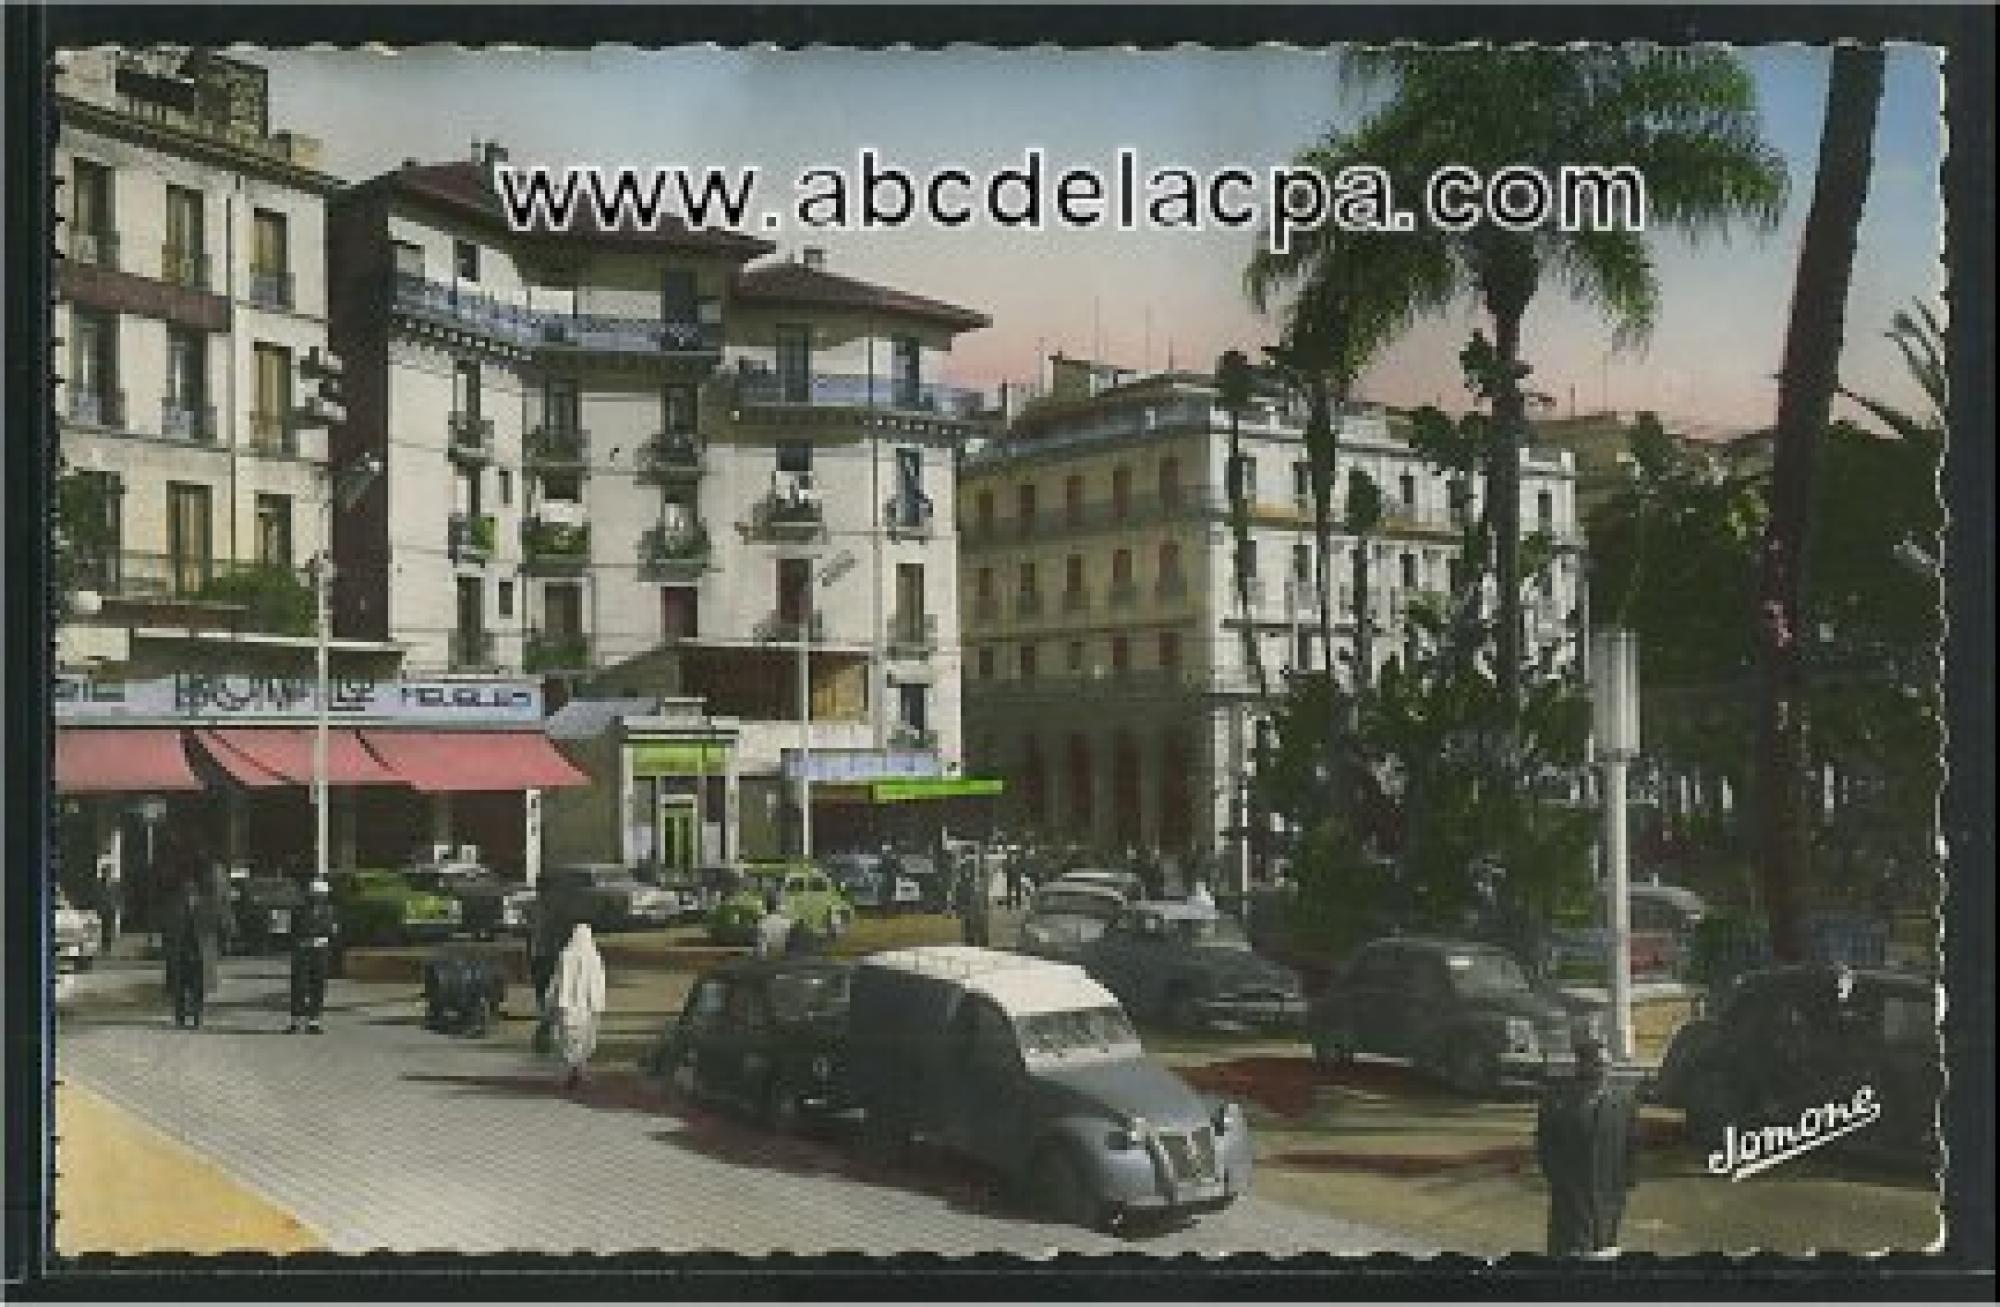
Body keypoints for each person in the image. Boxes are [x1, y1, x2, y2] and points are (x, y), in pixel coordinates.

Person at [1536, 1033, 1640, 1256]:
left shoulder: (1623, 1103)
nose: (1604, 1071)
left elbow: (1630, 1146)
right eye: (1598, 1065)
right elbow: (1545, 1146)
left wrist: (1623, 1185)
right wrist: (1560, 1181)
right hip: (1571, 1198)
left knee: (1603, 1255)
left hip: (1608, 1197)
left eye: (1607, 1065)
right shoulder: (1557, 1101)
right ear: (1582, 1066)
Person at [545, 922, 606, 1091]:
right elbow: (599, 983)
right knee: (584, 1038)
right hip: (587, 1006)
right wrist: (598, 1003)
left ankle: (570, 1070)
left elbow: (558, 981)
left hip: (569, 1005)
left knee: (567, 1037)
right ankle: (579, 1068)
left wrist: (553, 1000)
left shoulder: (567, 955)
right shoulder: (594, 957)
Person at [162, 876, 220, 1029]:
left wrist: (212, 948)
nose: (189, 899)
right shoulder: (175, 909)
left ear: (196, 895)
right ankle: (180, 1018)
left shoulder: (206, 908)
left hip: (199, 954)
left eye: (191, 895)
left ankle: (197, 1017)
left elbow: (214, 928)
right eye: (186, 895)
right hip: (180, 953)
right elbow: (167, 930)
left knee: (197, 988)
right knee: (180, 988)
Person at [287, 877, 335, 1034]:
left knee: (318, 984)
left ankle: (314, 1020)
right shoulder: (300, 910)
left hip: (321, 949)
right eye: (319, 895)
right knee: (299, 985)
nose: (321, 898)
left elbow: (332, 930)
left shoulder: (329, 910)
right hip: (303, 949)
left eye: (323, 895)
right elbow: (292, 930)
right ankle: (296, 1020)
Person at [755, 890, 794, 960]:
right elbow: (788, 942)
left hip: (768, 957)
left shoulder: (763, 922)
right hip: (782, 956)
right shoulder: (786, 921)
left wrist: (762, 957)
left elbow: (762, 944)